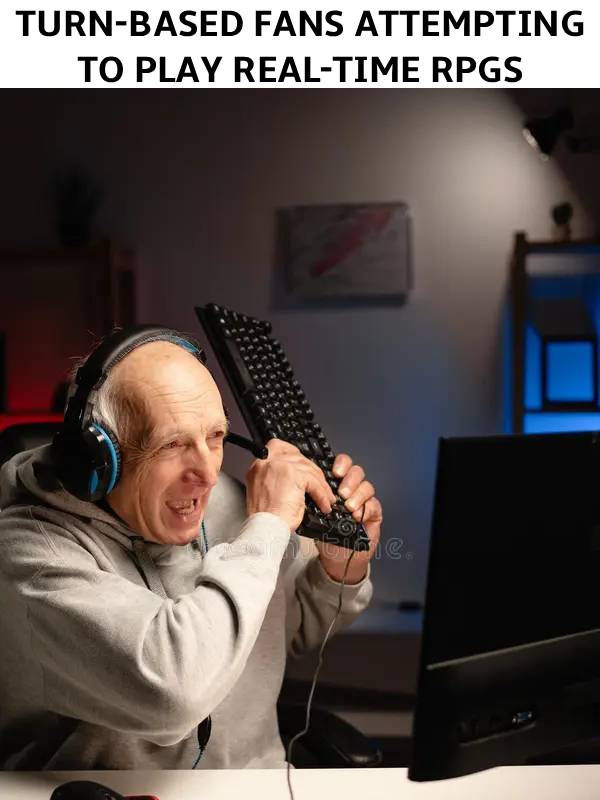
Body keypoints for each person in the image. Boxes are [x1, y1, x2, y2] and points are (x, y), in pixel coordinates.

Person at [0, 327, 382, 770]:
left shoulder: (228, 501)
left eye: (215, 436)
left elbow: (288, 632)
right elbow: (172, 695)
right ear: (102, 457)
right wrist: (268, 527)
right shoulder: (31, 552)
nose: (206, 474)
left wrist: (339, 567)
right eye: (173, 444)